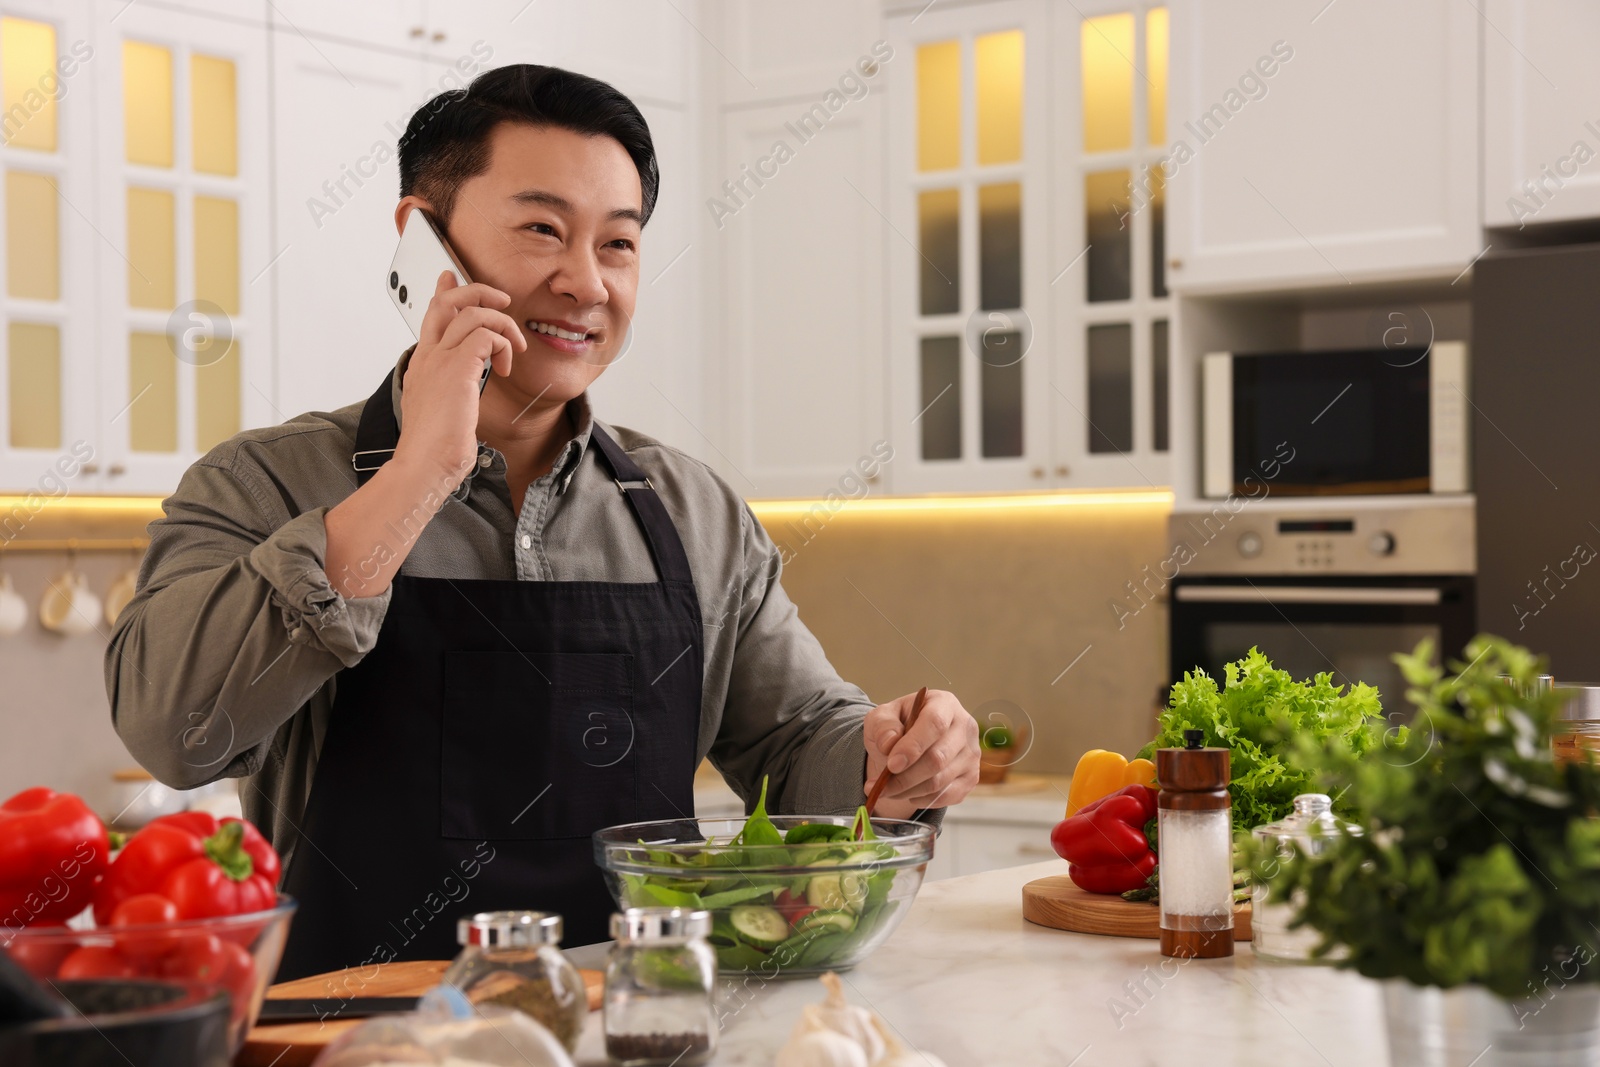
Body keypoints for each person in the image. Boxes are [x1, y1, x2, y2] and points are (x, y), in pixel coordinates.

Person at [104, 64, 980, 980]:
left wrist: (894, 754)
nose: (586, 283)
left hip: (639, 1024)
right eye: (541, 230)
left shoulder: (694, 511)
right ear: (422, 244)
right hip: (357, 1041)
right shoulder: (262, 483)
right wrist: (419, 475)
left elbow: (800, 743)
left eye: (619, 245)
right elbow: (176, 730)